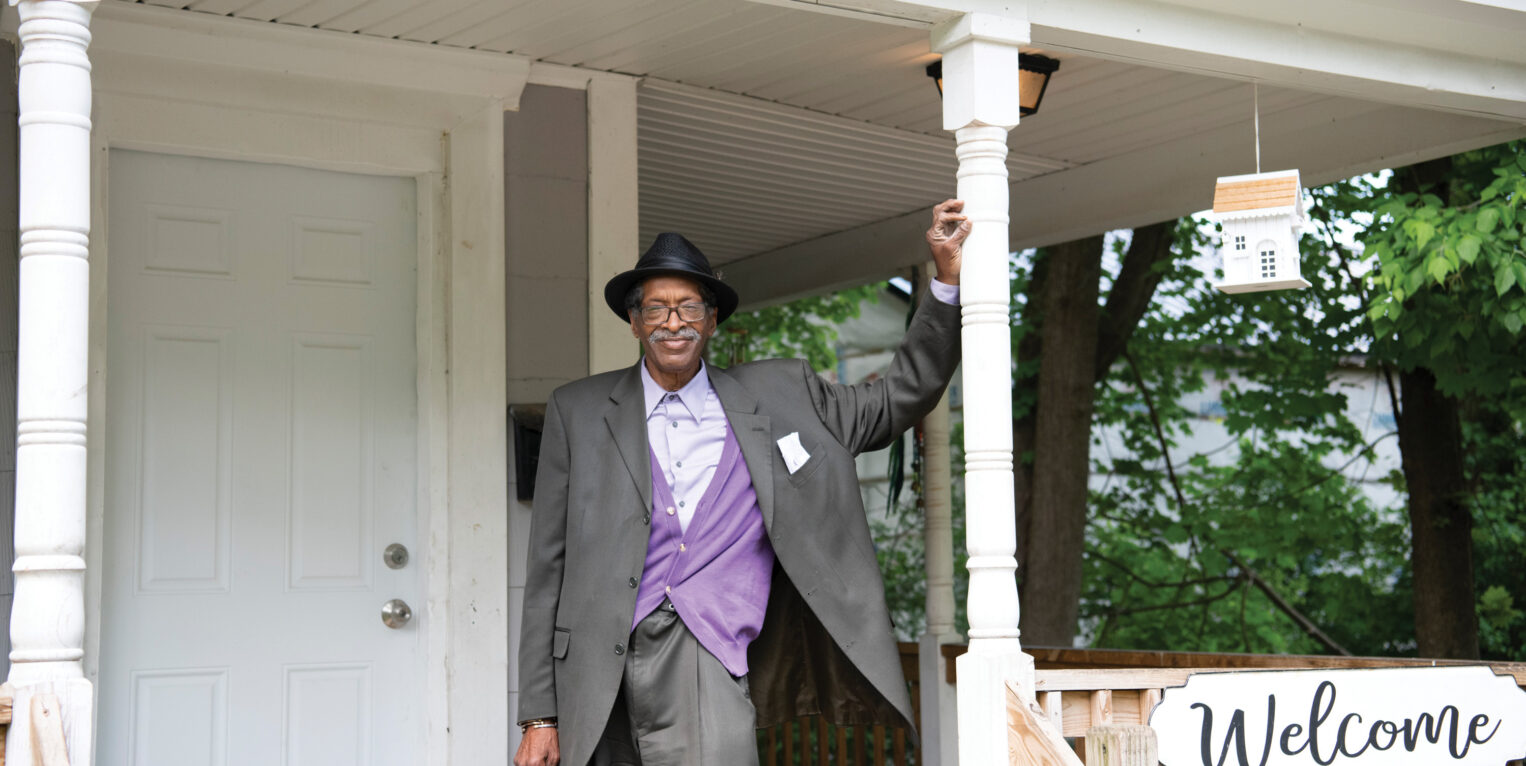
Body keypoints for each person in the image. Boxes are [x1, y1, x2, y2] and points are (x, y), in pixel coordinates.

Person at [515, 200, 970, 766]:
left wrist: (946, 282)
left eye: (687, 307)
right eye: (655, 309)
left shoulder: (783, 395)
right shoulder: (577, 410)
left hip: (707, 654)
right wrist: (540, 715)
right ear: (634, 322)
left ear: (711, 319)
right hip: (592, 681)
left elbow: (895, 399)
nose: (672, 322)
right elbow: (547, 572)